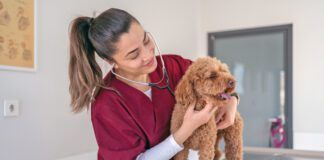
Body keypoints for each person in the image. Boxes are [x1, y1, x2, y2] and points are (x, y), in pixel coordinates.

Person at [68, 8, 239, 160]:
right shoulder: (106, 105)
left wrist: (232, 101)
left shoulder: (174, 65)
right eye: (134, 54)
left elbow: (219, 82)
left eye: (146, 40)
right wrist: (185, 130)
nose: (148, 55)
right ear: (111, 61)